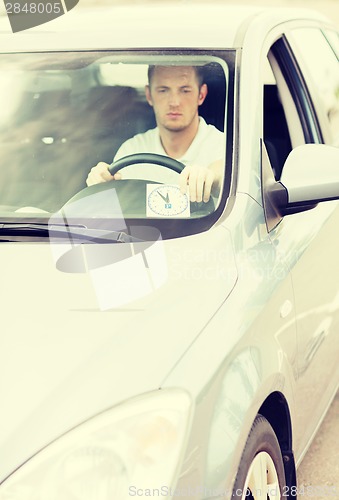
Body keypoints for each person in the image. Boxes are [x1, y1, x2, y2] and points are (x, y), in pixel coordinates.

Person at [86, 65, 225, 203]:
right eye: (163, 90)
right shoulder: (132, 150)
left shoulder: (224, 146)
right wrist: (101, 183)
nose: (174, 102)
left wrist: (213, 178)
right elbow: (115, 210)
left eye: (185, 91)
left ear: (201, 95)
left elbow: (222, 170)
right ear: (149, 95)